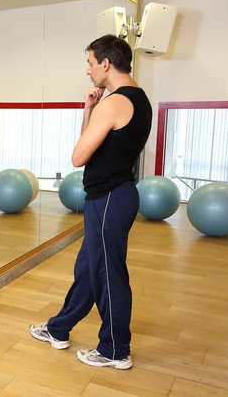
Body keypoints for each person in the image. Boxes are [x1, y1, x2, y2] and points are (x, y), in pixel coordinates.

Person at [29, 35, 152, 369]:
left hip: (110, 198)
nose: (88, 71)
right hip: (115, 195)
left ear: (106, 64)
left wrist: (95, 109)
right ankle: (59, 329)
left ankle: (115, 349)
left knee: (108, 274)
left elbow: (79, 155)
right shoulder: (138, 99)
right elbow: (94, 145)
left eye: (90, 62)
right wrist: (88, 109)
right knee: (88, 269)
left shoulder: (114, 103)